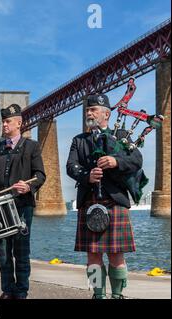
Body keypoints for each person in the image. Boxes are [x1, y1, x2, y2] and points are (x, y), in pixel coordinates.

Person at [66, 94, 142, 299]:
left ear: (106, 114)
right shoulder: (79, 141)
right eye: (87, 110)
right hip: (89, 200)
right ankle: (98, 295)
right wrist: (86, 175)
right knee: (93, 255)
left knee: (116, 254)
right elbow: (71, 167)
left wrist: (116, 161)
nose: (89, 113)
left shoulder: (121, 135)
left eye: (94, 110)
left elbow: (136, 160)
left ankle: (117, 295)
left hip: (114, 200)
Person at [0, 104, 46, 299]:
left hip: (22, 205)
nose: (4, 125)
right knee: (3, 252)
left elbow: (40, 175)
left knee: (21, 252)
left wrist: (29, 187)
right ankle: (8, 290)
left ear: (19, 123)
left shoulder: (32, 147)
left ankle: (21, 292)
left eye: (7, 121)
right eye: (3, 121)